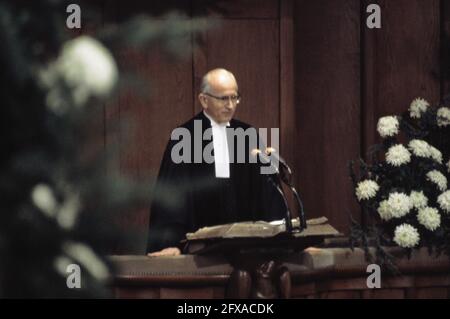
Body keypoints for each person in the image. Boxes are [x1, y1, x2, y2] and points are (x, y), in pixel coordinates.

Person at [146, 68, 285, 256]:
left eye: (234, 98)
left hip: (246, 246)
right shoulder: (184, 137)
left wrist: (286, 239)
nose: (230, 105)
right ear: (204, 100)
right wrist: (172, 244)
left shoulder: (248, 135)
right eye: (223, 98)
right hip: (199, 249)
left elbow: (270, 195)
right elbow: (171, 197)